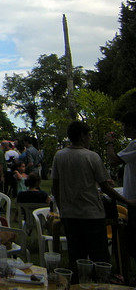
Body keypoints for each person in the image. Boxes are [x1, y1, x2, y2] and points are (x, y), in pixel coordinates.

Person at [51, 121, 134, 277]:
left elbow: (56, 186)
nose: (89, 138)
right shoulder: (92, 156)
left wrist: (62, 208)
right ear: (82, 136)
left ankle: (76, 283)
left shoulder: (59, 155)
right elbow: (105, 187)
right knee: (100, 257)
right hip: (91, 214)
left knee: (76, 257)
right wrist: (126, 201)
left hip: (70, 214)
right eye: (88, 135)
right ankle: (101, 282)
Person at [106, 111, 136, 270]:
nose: (123, 129)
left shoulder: (135, 145)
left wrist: (109, 143)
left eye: (124, 125)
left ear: (131, 126)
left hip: (133, 200)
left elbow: (113, 159)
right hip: (131, 198)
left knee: (132, 240)